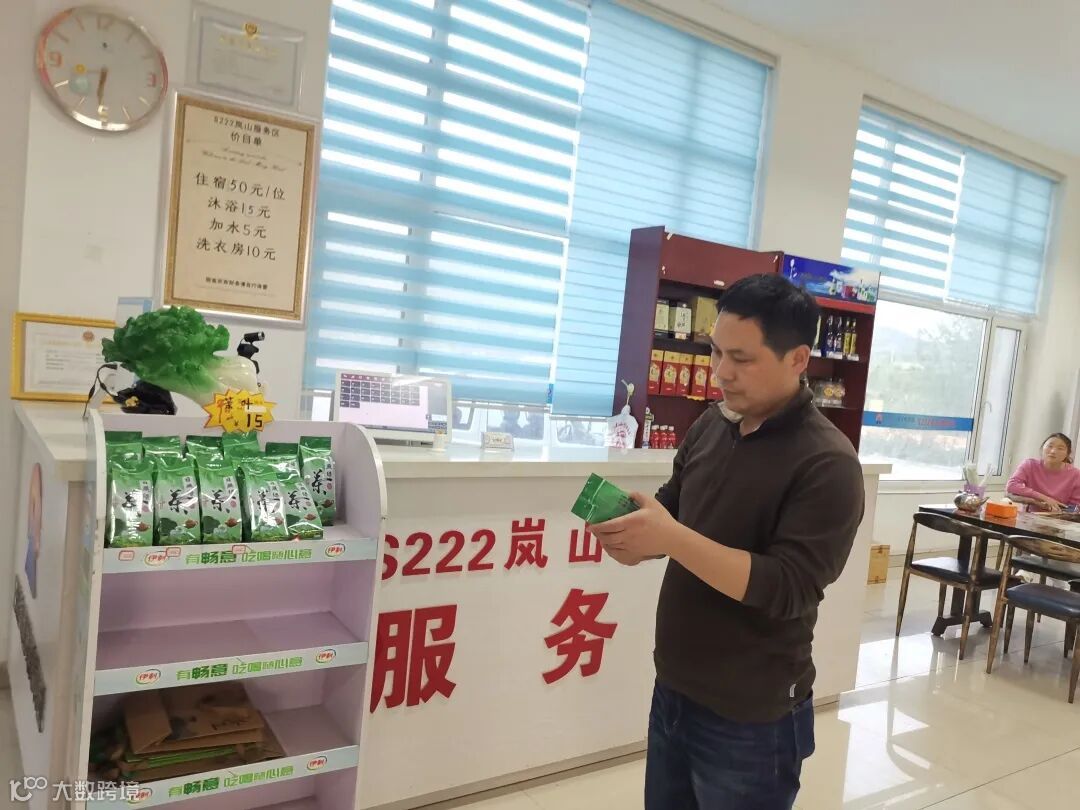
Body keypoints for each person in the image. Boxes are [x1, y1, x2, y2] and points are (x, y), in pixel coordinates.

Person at [590, 274, 864, 810]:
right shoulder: (711, 425)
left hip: (753, 714)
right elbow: (673, 511)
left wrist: (670, 536)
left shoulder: (828, 463)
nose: (721, 372)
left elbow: (787, 586)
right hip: (675, 687)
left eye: (742, 358)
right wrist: (636, 536)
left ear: (798, 359)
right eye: (716, 351)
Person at [1006, 433, 1080, 512]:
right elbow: (1012, 486)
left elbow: (1075, 507)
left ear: (1067, 454)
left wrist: (1058, 511)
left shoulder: (1075, 474)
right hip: (1029, 516)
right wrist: (1044, 498)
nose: (1053, 451)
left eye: (1060, 448)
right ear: (1042, 448)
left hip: (1060, 517)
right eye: (1050, 446)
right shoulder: (1030, 464)